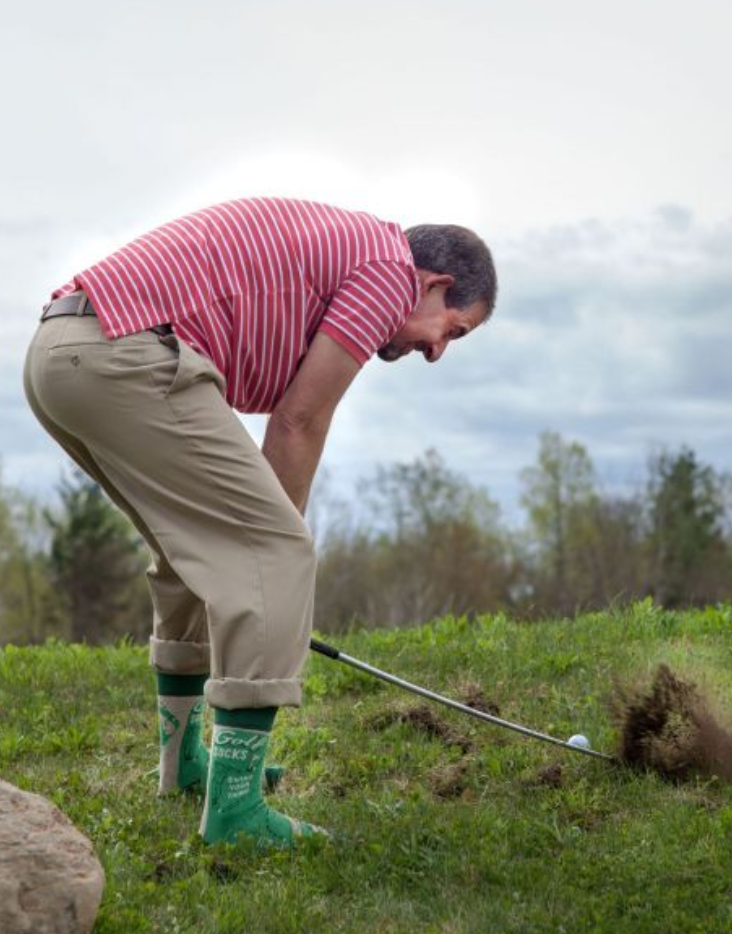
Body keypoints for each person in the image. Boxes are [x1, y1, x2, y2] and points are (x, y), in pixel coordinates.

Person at [23, 197, 497, 848]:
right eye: (454, 328)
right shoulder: (390, 271)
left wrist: (253, 565)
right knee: (274, 550)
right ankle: (236, 813)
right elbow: (300, 419)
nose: (439, 350)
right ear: (435, 284)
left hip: (61, 353)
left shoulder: (352, 247)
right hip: (122, 354)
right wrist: (272, 573)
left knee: (193, 551)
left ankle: (184, 764)